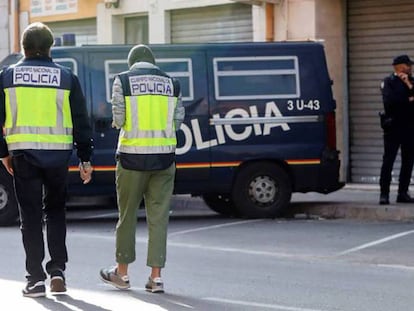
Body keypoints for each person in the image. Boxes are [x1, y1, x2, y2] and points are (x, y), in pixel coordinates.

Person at [0, 22, 93, 297]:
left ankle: (35, 280)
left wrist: (3, 153)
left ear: (23, 47)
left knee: (30, 217)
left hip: (23, 156)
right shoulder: (67, 78)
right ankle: (57, 273)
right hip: (57, 157)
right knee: (55, 212)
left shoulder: (6, 77)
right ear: (51, 47)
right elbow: (81, 122)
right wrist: (85, 159)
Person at [99, 44, 184, 293]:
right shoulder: (172, 83)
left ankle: (122, 274)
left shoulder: (123, 81)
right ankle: (156, 278)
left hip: (131, 159)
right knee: (158, 218)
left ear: (132, 62)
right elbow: (178, 121)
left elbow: (118, 119)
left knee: (127, 217)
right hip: (164, 159)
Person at [379, 54, 414, 205]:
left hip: (410, 127)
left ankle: (403, 193)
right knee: (388, 161)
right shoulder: (389, 82)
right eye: (408, 65)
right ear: (399, 66)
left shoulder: (411, 81)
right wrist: (409, 99)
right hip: (393, 127)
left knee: (408, 161)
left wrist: (409, 85)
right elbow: (390, 102)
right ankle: (384, 194)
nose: (410, 68)